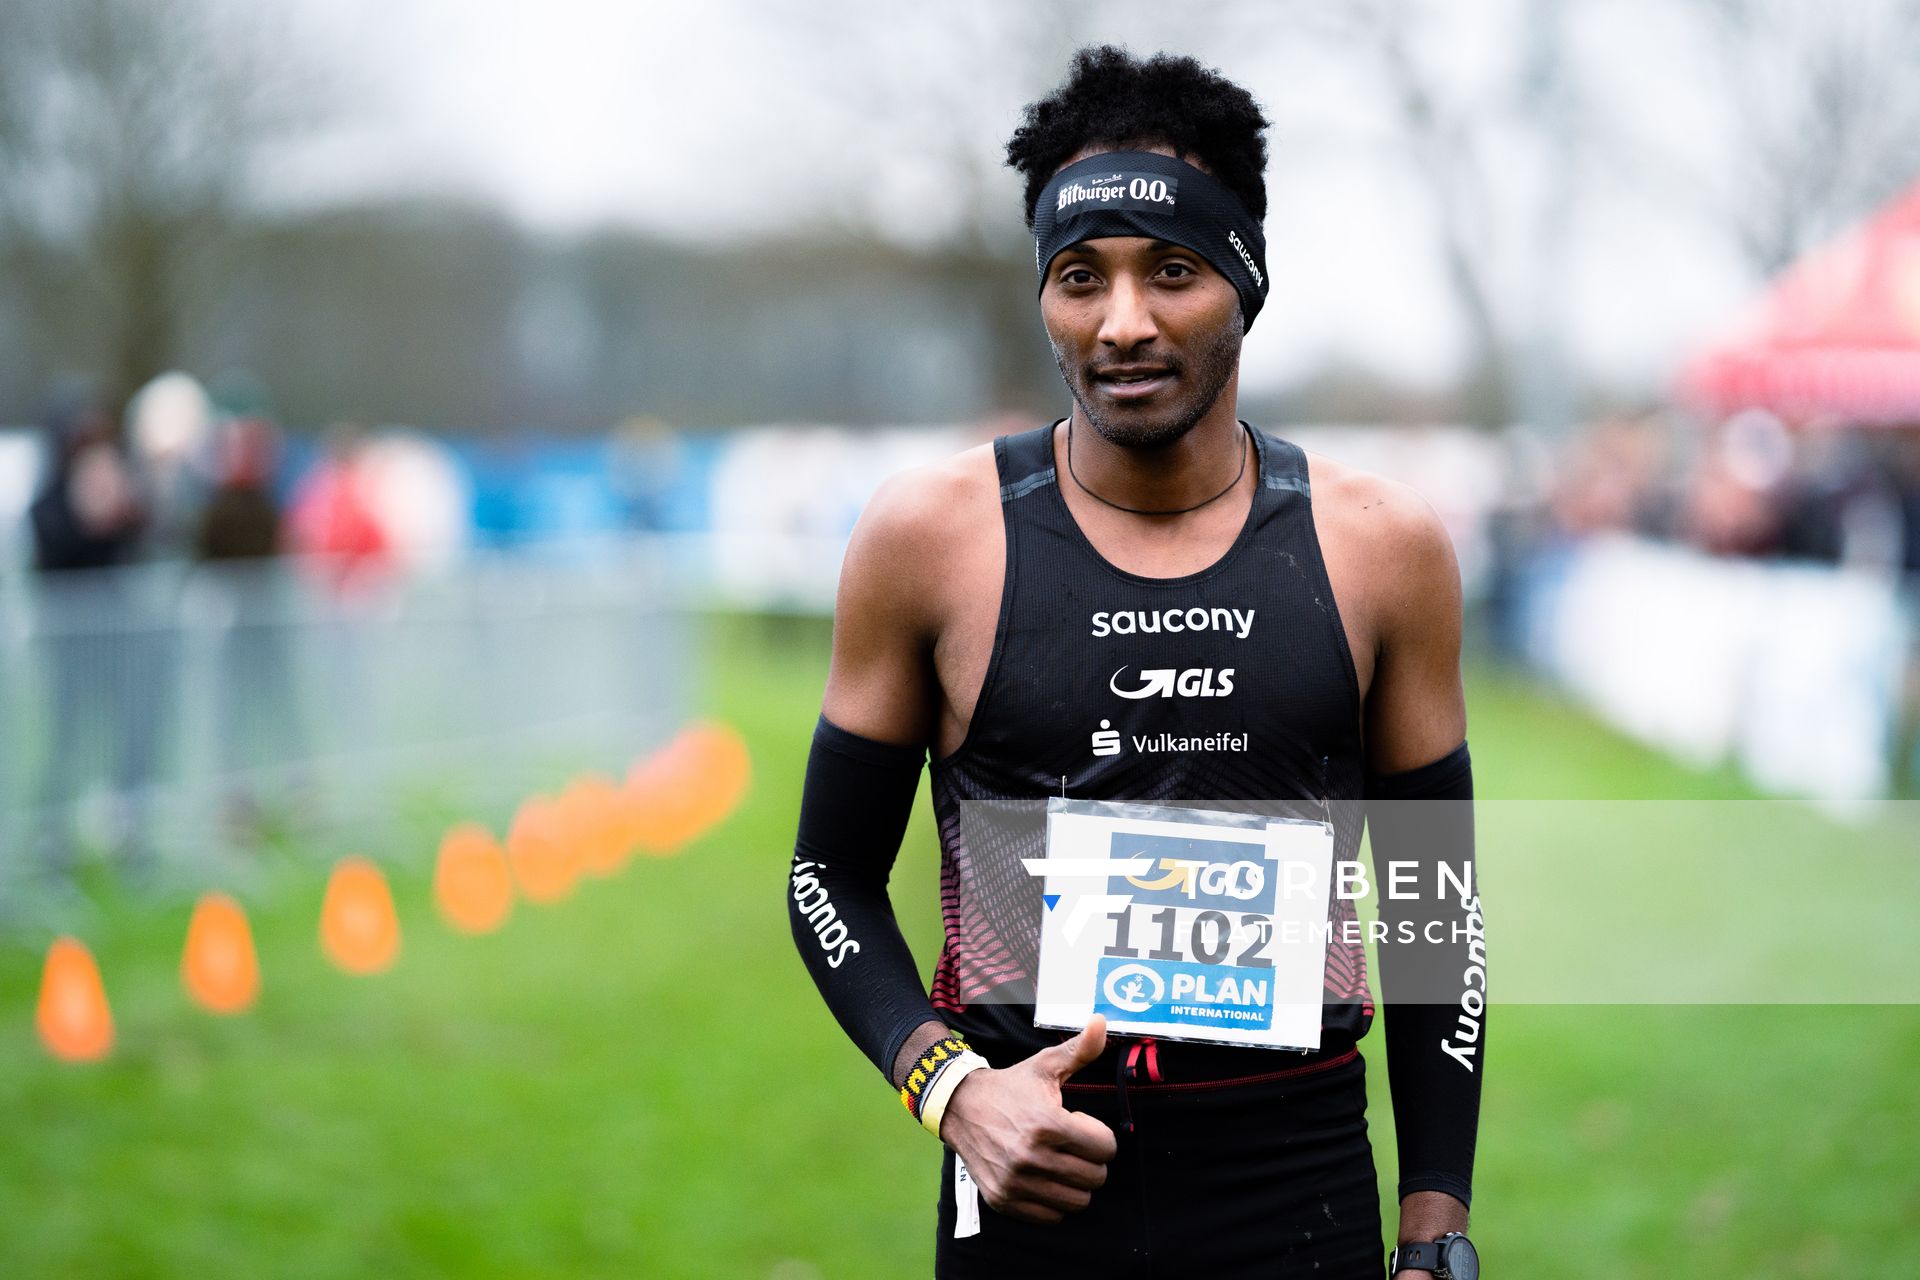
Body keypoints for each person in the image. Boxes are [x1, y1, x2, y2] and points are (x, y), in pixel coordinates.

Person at [790, 47, 1483, 1278]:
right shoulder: (931, 537)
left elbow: (1436, 916)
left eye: (1173, 271)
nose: (1123, 321)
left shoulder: (1382, 549)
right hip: (1033, 1184)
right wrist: (952, 1088)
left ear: (1245, 282)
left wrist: (1437, 1224)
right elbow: (827, 880)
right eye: (1078, 277)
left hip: (1298, 1187)